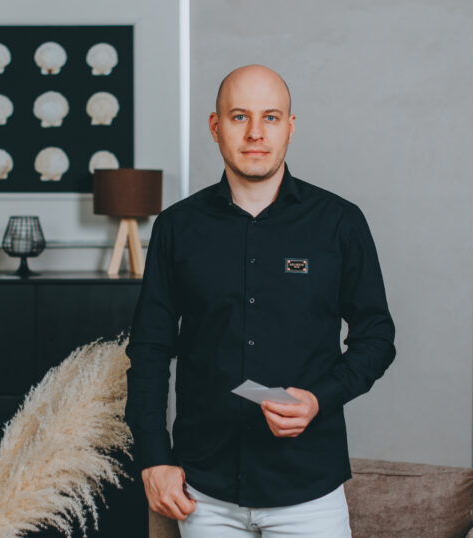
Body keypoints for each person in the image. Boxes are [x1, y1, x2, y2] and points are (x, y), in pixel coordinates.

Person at [124, 64, 396, 537]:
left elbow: (377, 337)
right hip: (203, 494)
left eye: (270, 117)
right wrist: (153, 458)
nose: (255, 133)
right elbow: (149, 349)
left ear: (290, 126)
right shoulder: (176, 228)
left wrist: (320, 398)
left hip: (310, 490)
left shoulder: (339, 223)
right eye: (239, 117)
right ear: (215, 126)